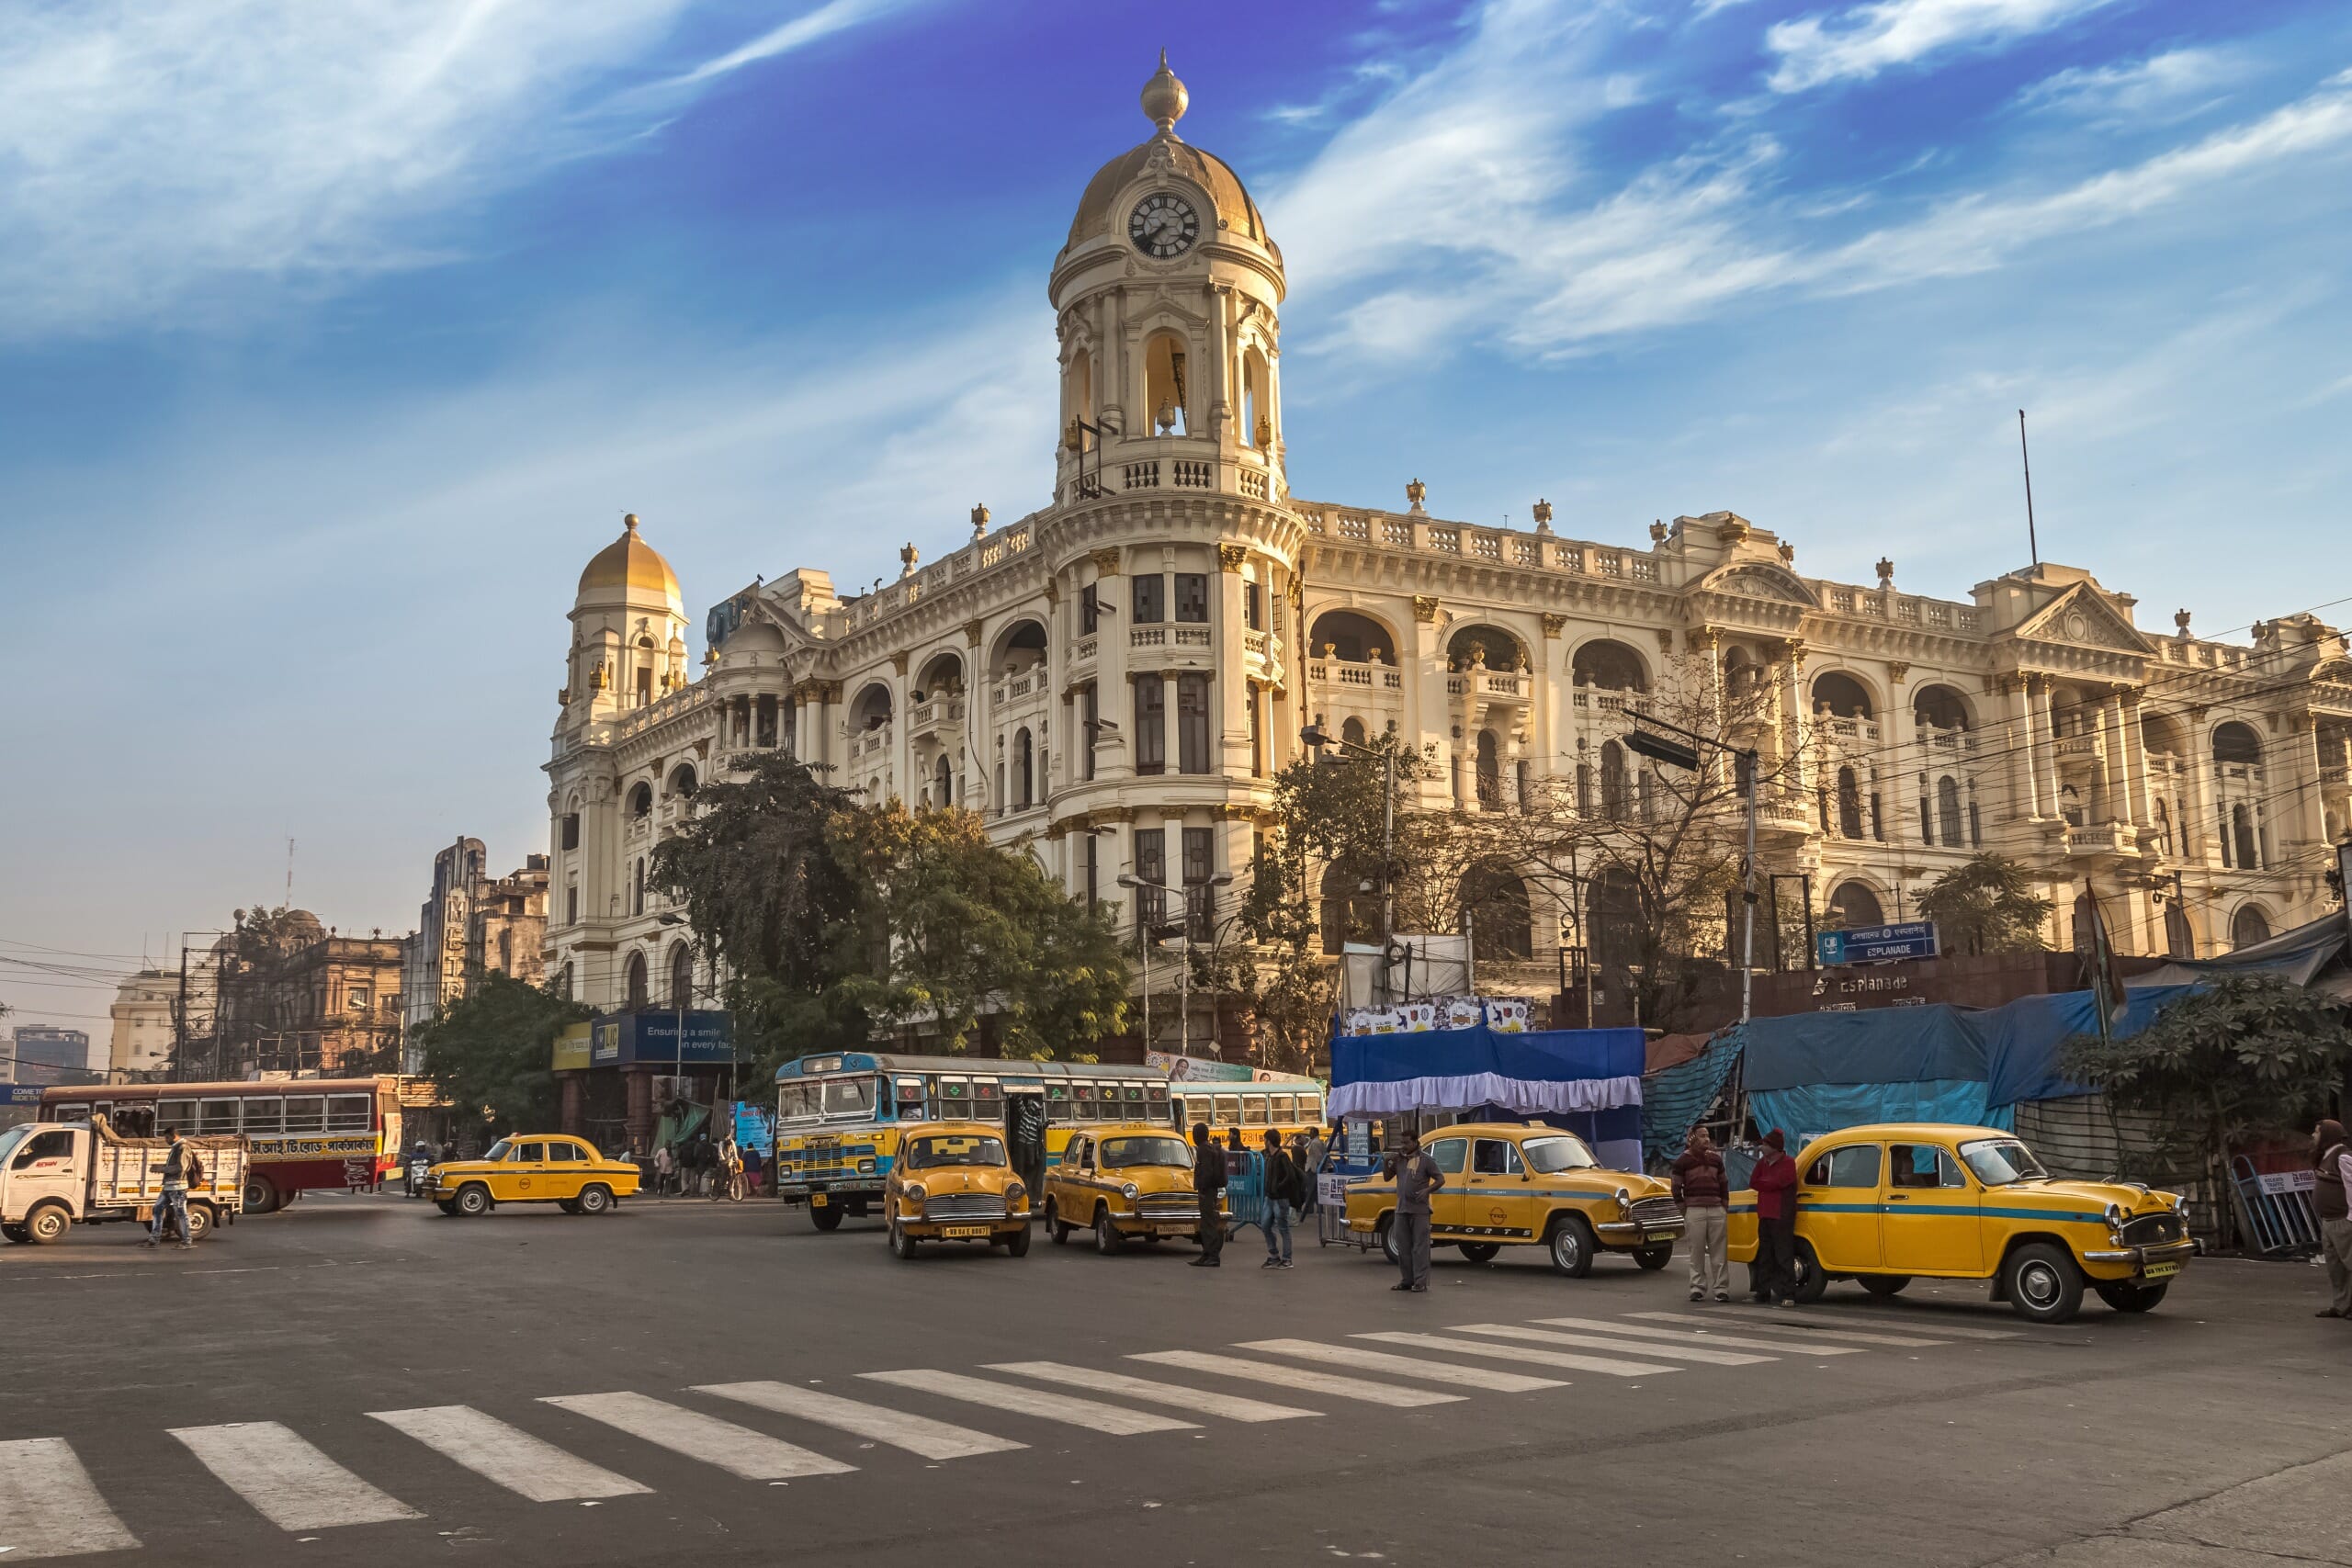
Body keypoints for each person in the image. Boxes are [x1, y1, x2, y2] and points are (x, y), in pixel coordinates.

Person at [1672, 1127, 1731, 1303]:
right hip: (1695, 1210)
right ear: (1693, 1138)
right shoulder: (1683, 1161)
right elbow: (1676, 1187)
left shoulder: (1715, 1159)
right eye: (1702, 1136)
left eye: (1707, 1136)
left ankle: (1721, 1289)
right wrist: (1684, 1209)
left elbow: (1724, 1183)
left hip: (1715, 1209)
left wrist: (1724, 1206)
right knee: (1696, 1252)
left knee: (1719, 1253)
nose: (1706, 1139)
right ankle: (1697, 1288)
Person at [1384, 1126, 1444, 1292]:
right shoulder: (1400, 1160)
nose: (1403, 1146)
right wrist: (1386, 1162)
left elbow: (1440, 1179)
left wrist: (1427, 1190)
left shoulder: (1425, 1160)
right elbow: (1387, 1177)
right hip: (1402, 1209)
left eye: (1406, 1143)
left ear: (1415, 1142)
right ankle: (1406, 1279)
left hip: (1419, 1210)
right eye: (1401, 1143)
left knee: (1420, 1247)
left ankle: (1420, 1281)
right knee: (1403, 1247)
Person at [1750, 1130, 1799, 1307]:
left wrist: (1766, 1184)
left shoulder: (1788, 1163)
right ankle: (1762, 1292)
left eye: (1764, 1144)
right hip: (1765, 1213)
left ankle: (1789, 1293)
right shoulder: (1762, 1163)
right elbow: (1753, 1182)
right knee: (1765, 1255)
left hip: (1782, 1215)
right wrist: (1768, 1183)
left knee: (1783, 1255)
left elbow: (1778, 1182)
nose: (1761, 1148)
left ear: (1774, 1147)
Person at [2314, 1120, 2352, 1319]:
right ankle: (2342, 1306)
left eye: (2317, 1131)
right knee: (2335, 1267)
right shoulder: (2325, 1156)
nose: (2313, 1135)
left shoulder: (2343, 1156)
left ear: (2327, 1135)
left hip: (2342, 1221)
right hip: (2328, 1221)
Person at [145, 1126, 198, 1249]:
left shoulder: (183, 1148)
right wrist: (159, 1167)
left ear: (174, 1136)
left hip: (178, 1187)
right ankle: (154, 1240)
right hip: (169, 1187)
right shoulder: (176, 1148)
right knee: (157, 1209)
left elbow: (181, 1167)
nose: (166, 1140)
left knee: (181, 1214)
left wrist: (162, 1169)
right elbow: (173, 1166)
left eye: (167, 1137)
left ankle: (186, 1241)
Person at [1189, 1122, 1227, 1268]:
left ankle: (1212, 1256)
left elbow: (1206, 1172)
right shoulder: (1209, 1148)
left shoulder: (1203, 1150)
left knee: (1208, 1224)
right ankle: (1206, 1254)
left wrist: (1202, 1189)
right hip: (1211, 1191)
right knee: (1206, 1224)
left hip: (1207, 1192)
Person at [1261, 1130, 1298, 1269]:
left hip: (1280, 1198)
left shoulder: (1282, 1157)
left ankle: (1287, 1259)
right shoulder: (1269, 1156)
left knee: (1283, 1228)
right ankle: (1273, 1255)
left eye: (1265, 1139)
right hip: (1269, 1197)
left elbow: (1290, 1176)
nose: (1264, 1142)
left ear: (1269, 1141)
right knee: (1265, 1225)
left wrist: (1278, 1187)